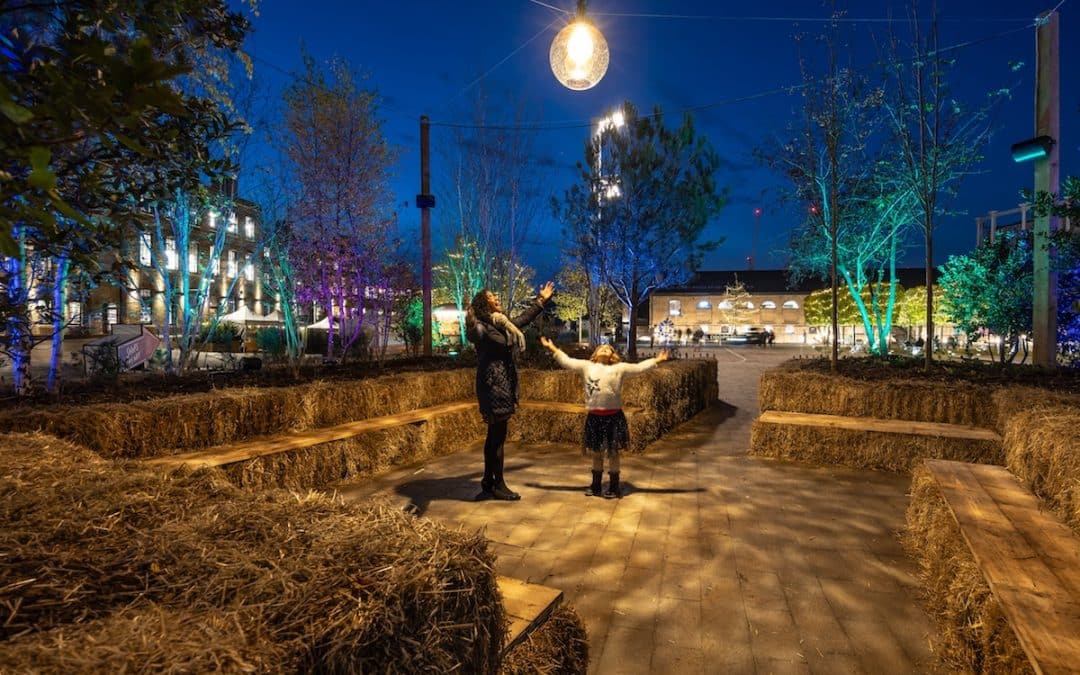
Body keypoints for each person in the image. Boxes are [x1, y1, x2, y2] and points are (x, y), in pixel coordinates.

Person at [539, 336, 669, 499]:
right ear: (595, 353)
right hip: (595, 417)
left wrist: (657, 359)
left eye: (609, 348)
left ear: (613, 355)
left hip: (613, 417)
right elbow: (567, 361)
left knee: (613, 453)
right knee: (597, 452)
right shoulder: (587, 366)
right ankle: (596, 485)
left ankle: (614, 486)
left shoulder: (619, 368)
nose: (605, 349)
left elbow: (639, 367)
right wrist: (552, 348)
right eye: (602, 347)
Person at [466, 282, 555, 501]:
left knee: (495, 436)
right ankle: (498, 485)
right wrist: (471, 322)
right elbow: (474, 335)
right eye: (491, 296)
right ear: (484, 305)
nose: (496, 297)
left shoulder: (502, 324)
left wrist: (541, 300)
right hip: (492, 384)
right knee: (496, 437)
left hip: (504, 382)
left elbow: (523, 320)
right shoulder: (482, 327)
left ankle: (489, 483)